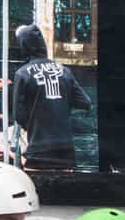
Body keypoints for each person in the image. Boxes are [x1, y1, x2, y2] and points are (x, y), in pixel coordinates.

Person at [10, 24, 92, 170]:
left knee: (37, 183)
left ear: (24, 46)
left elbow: (18, 116)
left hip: (38, 149)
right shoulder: (64, 71)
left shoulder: (22, 74)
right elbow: (85, 102)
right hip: (66, 151)